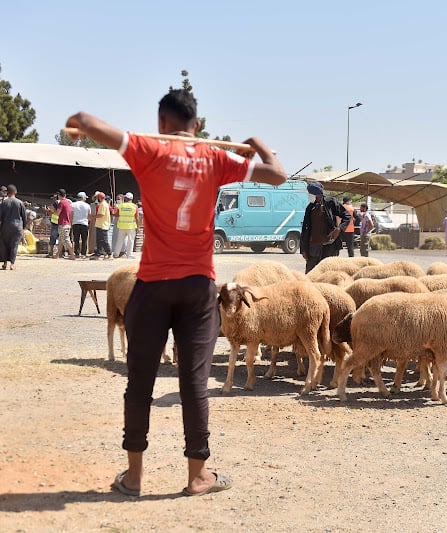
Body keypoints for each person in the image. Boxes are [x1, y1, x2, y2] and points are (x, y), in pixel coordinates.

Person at [65, 88, 286, 497]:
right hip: (198, 288)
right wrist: (256, 145)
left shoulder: (149, 149)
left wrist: (79, 120)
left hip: (150, 286)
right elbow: (278, 174)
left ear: (161, 123)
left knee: (140, 382)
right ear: (197, 126)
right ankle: (198, 477)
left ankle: (133, 477)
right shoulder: (217, 157)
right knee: (194, 383)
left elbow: (93, 123)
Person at [300, 181, 351, 273]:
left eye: (310, 193)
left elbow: (347, 216)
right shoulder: (310, 207)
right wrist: (303, 249)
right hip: (313, 248)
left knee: (328, 274)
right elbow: (305, 229)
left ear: (317, 194)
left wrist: (339, 229)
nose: (309, 195)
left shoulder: (330, 203)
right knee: (310, 274)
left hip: (329, 247)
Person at [0, 184, 26, 270]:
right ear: (15, 192)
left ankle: (4, 263)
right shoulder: (20, 203)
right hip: (17, 227)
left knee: (4, 244)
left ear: (7, 192)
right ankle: (12, 264)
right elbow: (24, 216)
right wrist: (24, 227)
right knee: (14, 245)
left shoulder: (3, 203)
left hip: (5, 226)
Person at [113, 192, 138, 259]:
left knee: (119, 240)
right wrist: (138, 226)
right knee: (130, 241)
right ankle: (129, 255)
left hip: (122, 226)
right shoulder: (134, 206)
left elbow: (117, 215)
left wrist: (118, 222)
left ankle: (116, 254)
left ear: (126, 198)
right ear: (132, 199)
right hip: (131, 226)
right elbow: (137, 217)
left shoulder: (121, 206)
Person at [54, 189, 77, 260]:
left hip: (63, 224)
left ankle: (72, 255)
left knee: (66, 239)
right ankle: (57, 255)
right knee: (61, 239)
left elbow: (57, 213)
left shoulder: (61, 203)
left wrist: (52, 212)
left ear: (59, 195)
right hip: (67, 223)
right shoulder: (68, 203)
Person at [89, 191, 113, 260]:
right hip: (100, 224)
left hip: (103, 225)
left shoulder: (103, 204)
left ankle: (109, 254)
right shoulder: (104, 204)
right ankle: (98, 255)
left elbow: (101, 215)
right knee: (99, 241)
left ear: (99, 197)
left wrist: (92, 217)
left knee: (104, 241)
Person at [71, 191, 91, 258]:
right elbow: (89, 216)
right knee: (84, 239)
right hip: (84, 223)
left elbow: (71, 215)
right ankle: (83, 253)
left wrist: (71, 223)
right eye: (85, 197)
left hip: (75, 223)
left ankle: (76, 253)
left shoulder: (73, 205)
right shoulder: (87, 205)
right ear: (83, 198)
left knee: (76, 239)